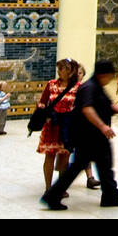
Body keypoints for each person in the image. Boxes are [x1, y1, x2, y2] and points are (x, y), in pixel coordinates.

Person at [41, 60, 118, 209]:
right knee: (77, 167)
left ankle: (110, 196)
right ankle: (52, 196)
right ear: (103, 74)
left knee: (104, 165)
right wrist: (103, 126)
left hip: (96, 137)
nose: (111, 78)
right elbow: (87, 109)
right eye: (110, 75)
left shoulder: (97, 87)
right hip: (87, 136)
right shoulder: (89, 88)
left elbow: (107, 104)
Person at [36, 59, 86, 194]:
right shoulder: (51, 85)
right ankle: (48, 188)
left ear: (71, 71)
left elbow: (81, 107)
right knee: (50, 156)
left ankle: (60, 188)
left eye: (62, 68)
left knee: (64, 157)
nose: (59, 71)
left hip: (68, 126)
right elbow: (42, 102)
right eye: (59, 68)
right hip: (52, 125)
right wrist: (42, 111)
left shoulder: (78, 87)